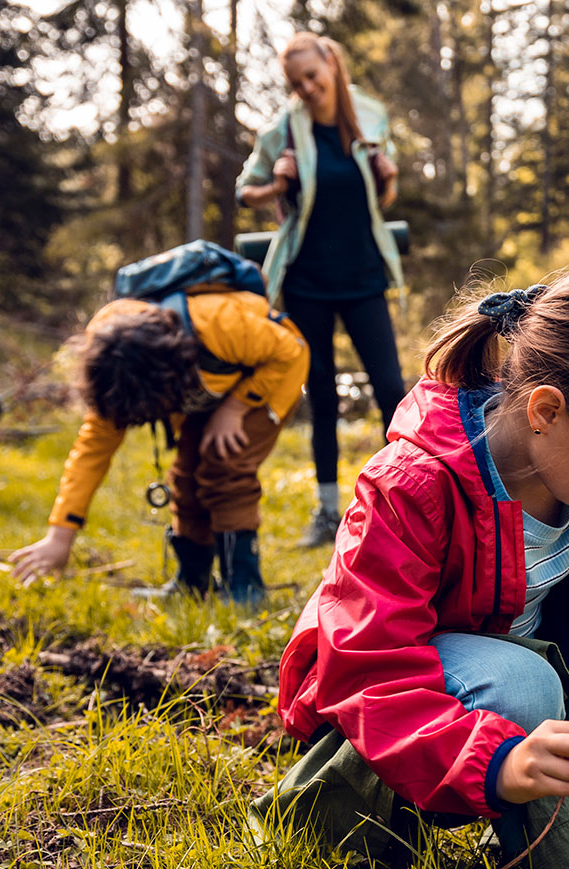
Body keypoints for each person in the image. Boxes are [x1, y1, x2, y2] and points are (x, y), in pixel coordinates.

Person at [263, 264, 569, 869]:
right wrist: (498, 764)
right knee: (523, 683)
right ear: (547, 411)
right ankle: (327, 808)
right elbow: (367, 665)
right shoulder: (411, 484)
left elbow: (544, 600)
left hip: (492, 700)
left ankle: (552, 860)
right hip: (388, 719)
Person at [7, 289, 308, 605]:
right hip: (207, 391)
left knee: (223, 465)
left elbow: (291, 350)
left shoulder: (220, 325)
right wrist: (60, 535)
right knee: (186, 478)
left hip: (270, 378)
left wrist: (236, 408)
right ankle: (192, 583)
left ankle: (245, 589)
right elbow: (91, 452)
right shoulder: (111, 368)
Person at [236, 32, 406, 549]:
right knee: (323, 396)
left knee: (391, 389)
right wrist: (276, 184)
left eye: (313, 75)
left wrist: (389, 177)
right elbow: (246, 191)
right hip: (307, 280)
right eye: (297, 82)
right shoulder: (284, 129)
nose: (307, 88)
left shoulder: (371, 115)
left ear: (332, 63)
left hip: (363, 276)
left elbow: (384, 194)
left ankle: (403, 503)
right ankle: (328, 511)